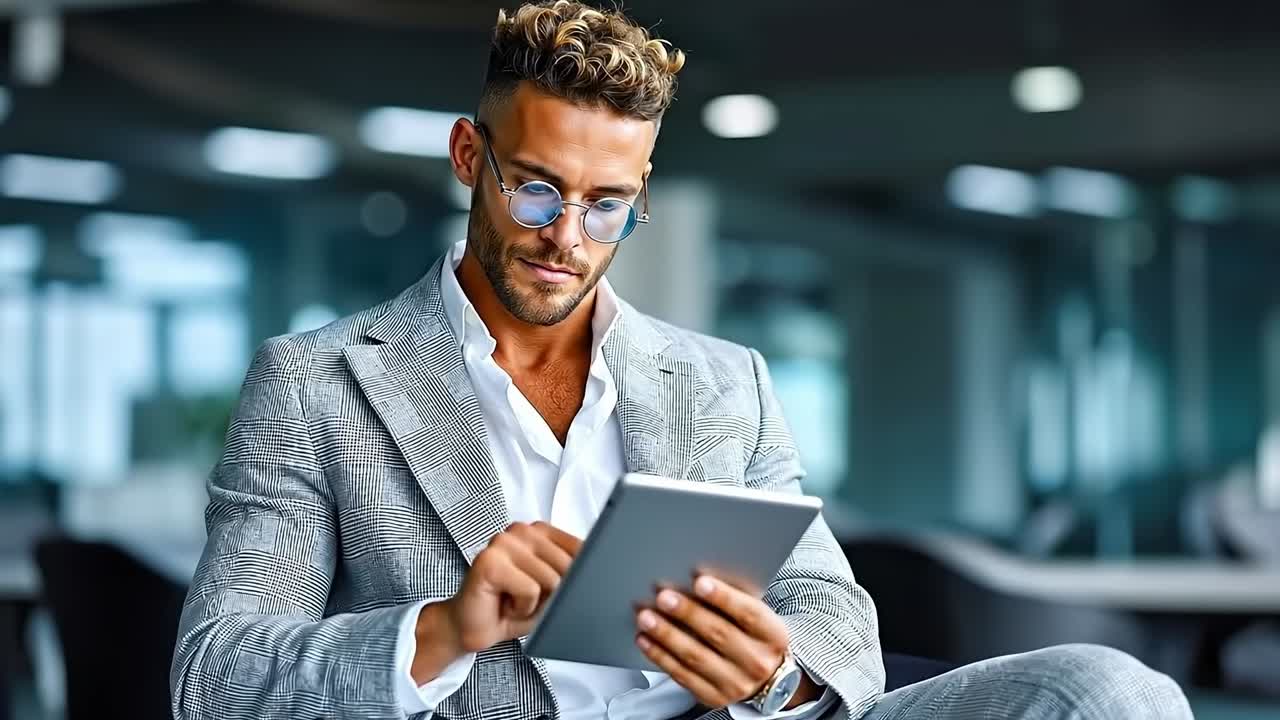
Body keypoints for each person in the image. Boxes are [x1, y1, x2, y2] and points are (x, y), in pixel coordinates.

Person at [170, 2, 1194, 719]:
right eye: (534, 188)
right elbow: (212, 678)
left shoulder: (722, 380)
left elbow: (832, 611)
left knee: (1109, 693)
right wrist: (439, 630)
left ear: (639, 194)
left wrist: (776, 675)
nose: (564, 233)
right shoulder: (317, 381)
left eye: (605, 203)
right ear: (468, 159)